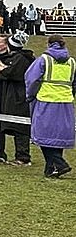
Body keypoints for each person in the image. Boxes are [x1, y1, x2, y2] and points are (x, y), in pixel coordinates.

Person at [24, 35, 74, 178]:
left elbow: (31, 79)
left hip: (46, 100)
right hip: (66, 102)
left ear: (49, 44)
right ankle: (50, 169)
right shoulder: (71, 62)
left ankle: (60, 164)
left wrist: (30, 95)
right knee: (57, 136)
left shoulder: (44, 60)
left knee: (42, 135)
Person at [0, 31, 34, 166]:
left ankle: (23, 157)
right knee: (17, 127)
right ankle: (21, 155)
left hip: (19, 97)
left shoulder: (20, 59)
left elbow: (10, 73)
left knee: (20, 127)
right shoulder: (22, 58)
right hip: (17, 95)